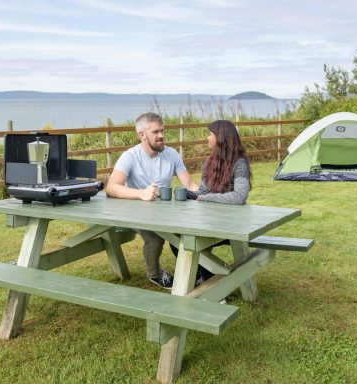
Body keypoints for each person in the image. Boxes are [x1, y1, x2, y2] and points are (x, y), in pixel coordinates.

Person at [105, 112, 199, 289]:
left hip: (166, 211)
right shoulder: (130, 156)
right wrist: (141, 193)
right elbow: (111, 187)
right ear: (142, 135)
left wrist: (203, 196)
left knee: (188, 231)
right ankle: (155, 275)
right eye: (156, 132)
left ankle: (196, 271)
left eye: (162, 131)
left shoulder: (171, 154)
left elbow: (189, 183)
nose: (161, 136)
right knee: (155, 237)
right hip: (135, 211)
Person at [171, 119, 252, 284]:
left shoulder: (240, 164)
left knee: (185, 238)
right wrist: (188, 194)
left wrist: (205, 198)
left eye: (210, 134)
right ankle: (208, 276)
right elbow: (202, 192)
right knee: (176, 236)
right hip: (209, 222)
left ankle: (211, 278)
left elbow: (239, 197)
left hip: (232, 225)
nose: (207, 138)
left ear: (220, 138)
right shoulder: (209, 163)